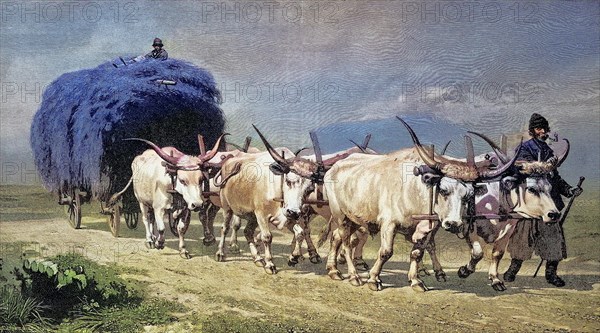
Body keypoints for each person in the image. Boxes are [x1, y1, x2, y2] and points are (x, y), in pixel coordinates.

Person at [503, 113, 583, 287]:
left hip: (550, 204)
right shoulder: (523, 148)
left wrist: (569, 190)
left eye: (545, 129)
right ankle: (512, 270)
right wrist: (536, 169)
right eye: (540, 129)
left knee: (554, 241)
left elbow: (555, 178)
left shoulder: (549, 151)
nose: (544, 132)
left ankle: (551, 275)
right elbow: (520, 171)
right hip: (531, 202)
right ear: (533, 130)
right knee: (522, 240)